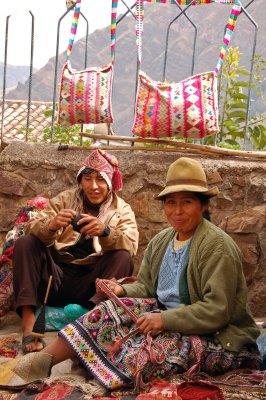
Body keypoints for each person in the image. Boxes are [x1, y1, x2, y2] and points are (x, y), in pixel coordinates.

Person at [3, 156, 261, 391]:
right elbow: (147, 287)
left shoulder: (217, 247)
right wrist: (121, 290)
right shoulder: (163, 240)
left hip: (220, 337)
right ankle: (41, 361)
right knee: (105, 313)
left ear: (204, 205)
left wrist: (164, 320)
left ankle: (91, 365)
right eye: (171, 203)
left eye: (187, 202)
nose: (177, 211)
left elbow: (217, 311)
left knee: (141, 355)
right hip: (157, 312)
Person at [12, 149, 139, 353]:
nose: (93, 186)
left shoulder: (121, 209)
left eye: (100, 179)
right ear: (80, 180)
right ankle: (29, 325)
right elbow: (31, 226)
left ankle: (89, 324)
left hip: (92, 285)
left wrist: (105, 232)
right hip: (57, 279)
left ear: (110, 183)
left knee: (122, 257)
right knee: (25, 243)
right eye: (87, 179)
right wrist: (51, 226)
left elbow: (131, 244)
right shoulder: (65, 199)